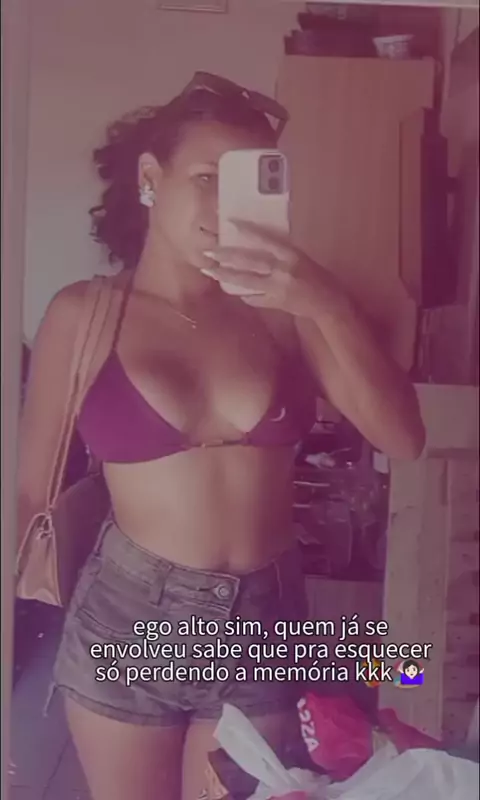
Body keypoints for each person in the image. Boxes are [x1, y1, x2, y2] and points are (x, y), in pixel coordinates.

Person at [17, 72, 425, 800]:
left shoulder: (289, 309)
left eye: (246, 183)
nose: (222, 205)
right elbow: (26, 496)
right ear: (151, 179)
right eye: (207, 178)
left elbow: (404, 438)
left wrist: (325, 302)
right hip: (128, 615)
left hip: (264, 620)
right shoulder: (85, 315)